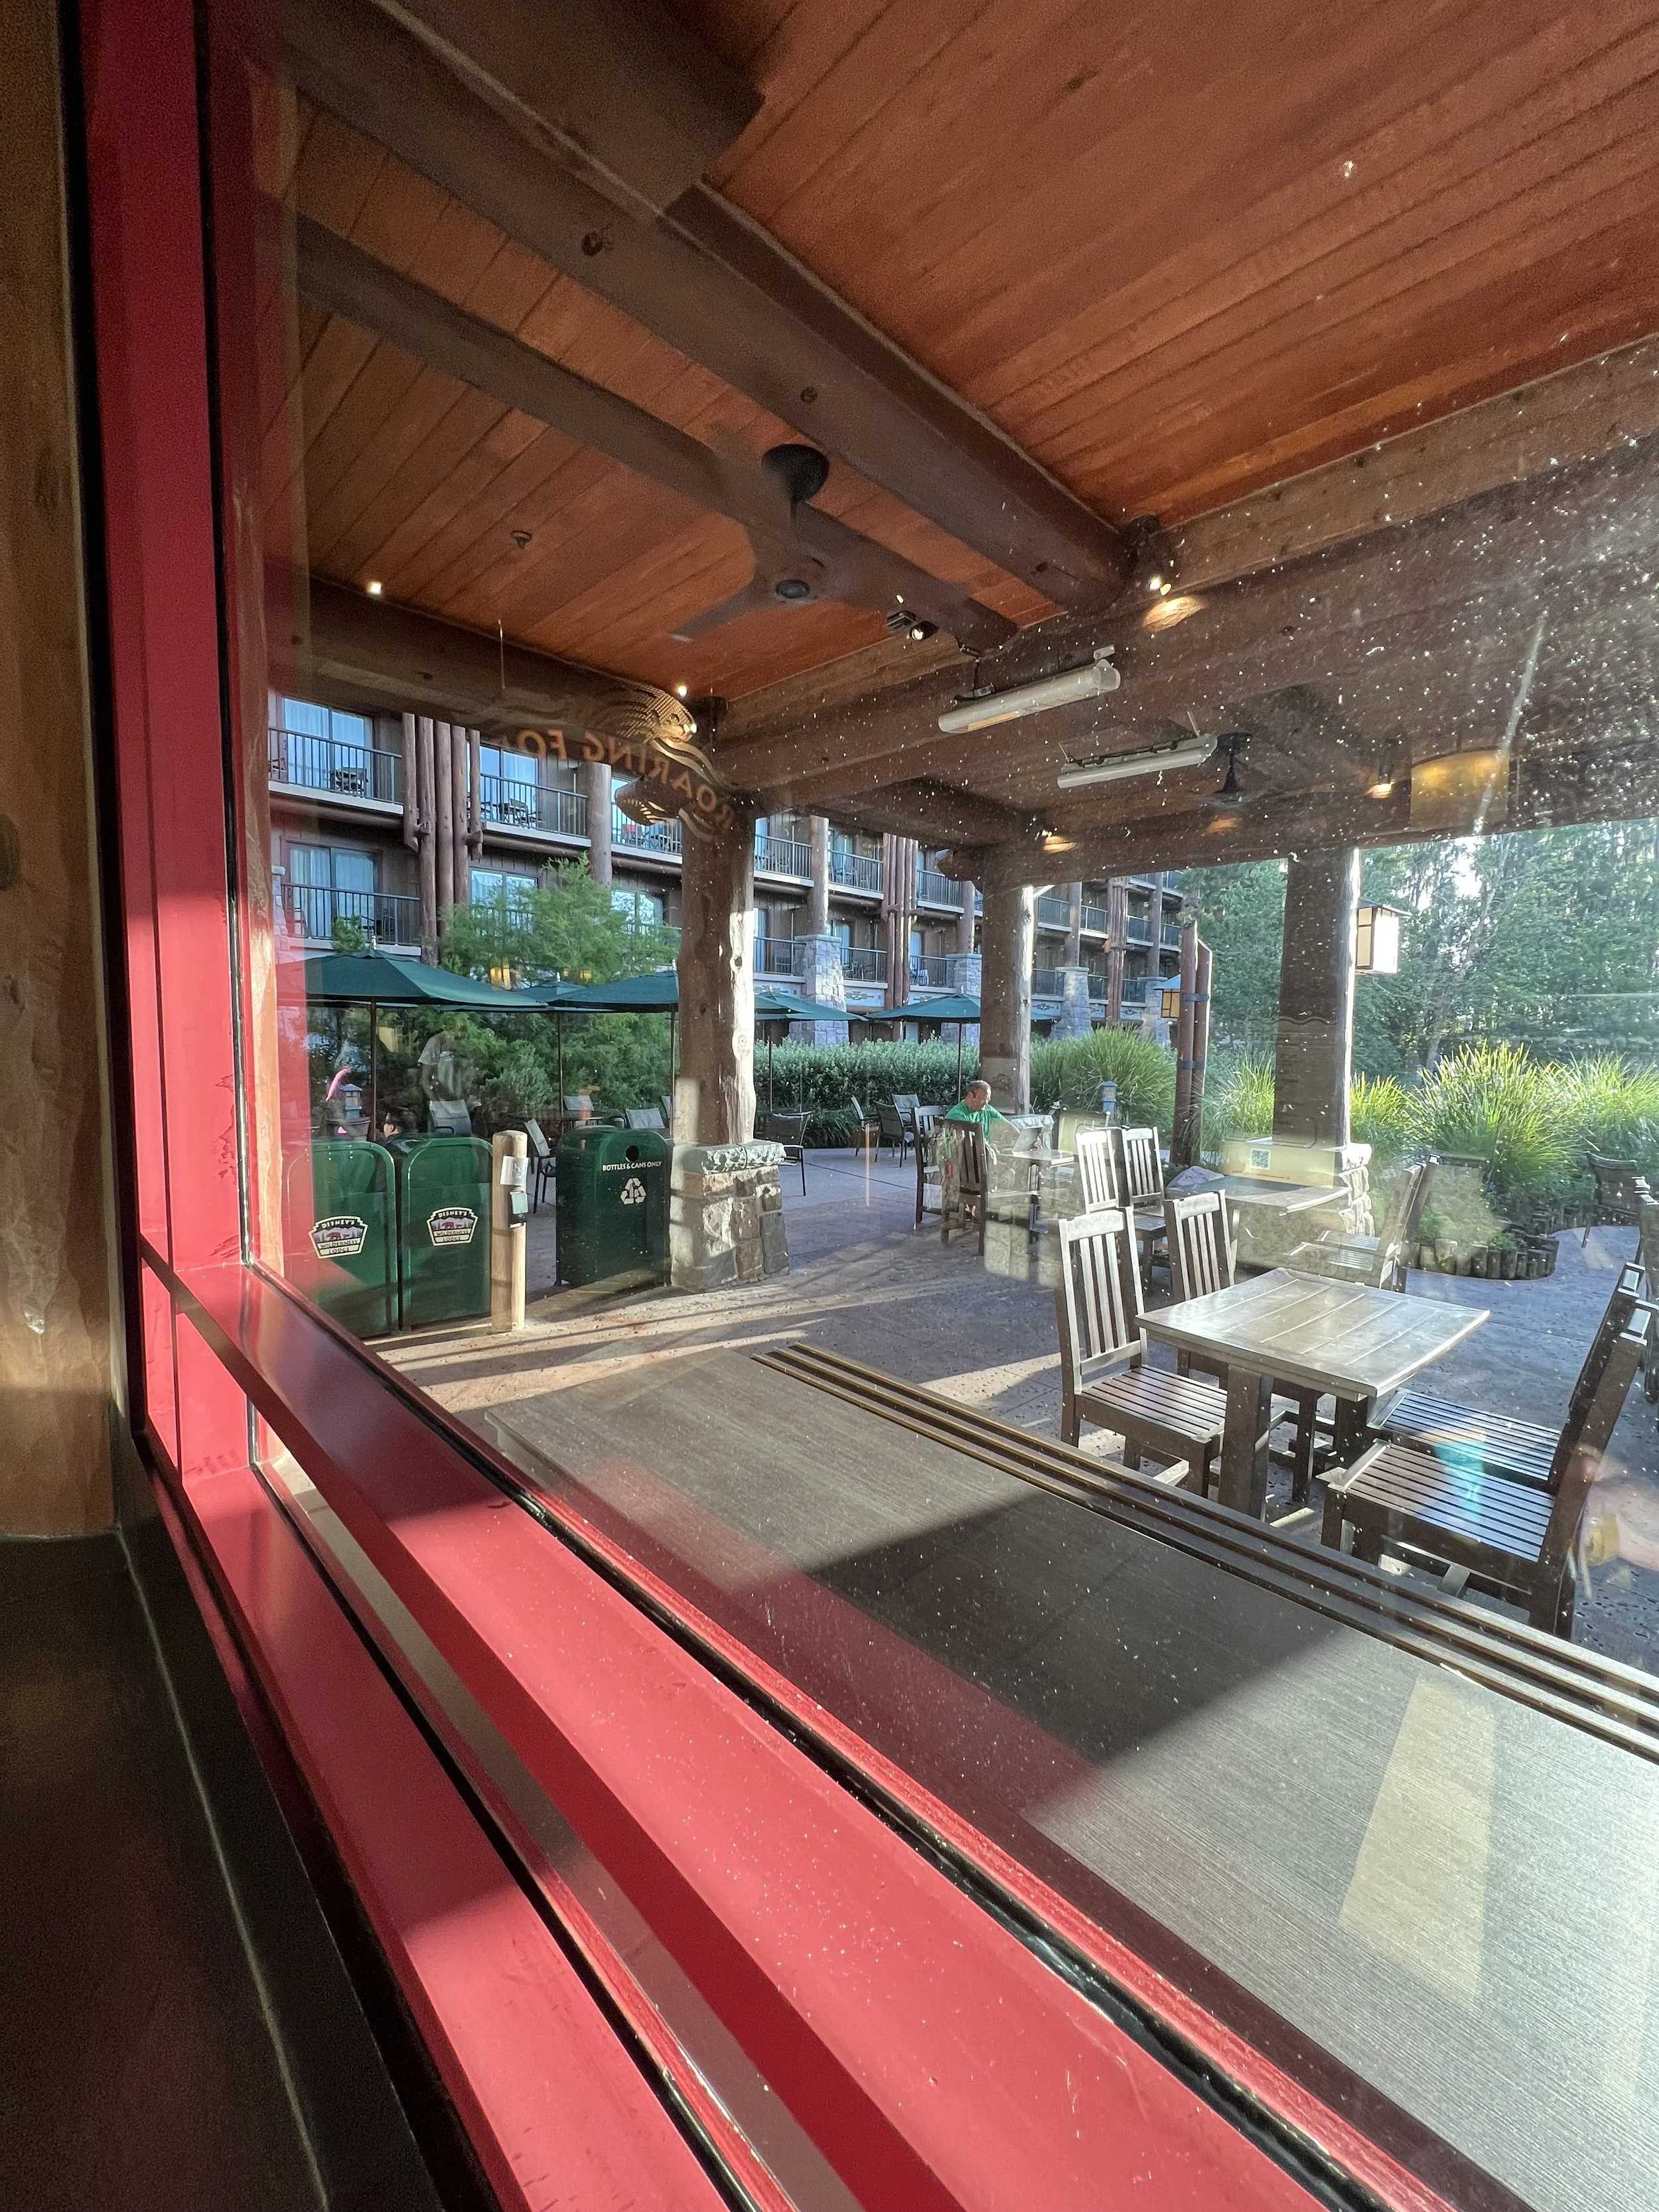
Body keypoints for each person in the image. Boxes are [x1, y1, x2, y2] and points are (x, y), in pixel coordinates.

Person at [943, 1078, 1009, 1139]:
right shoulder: (957, 1115)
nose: (986, 1104)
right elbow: (971, 1143)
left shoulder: (987, 1109)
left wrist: (1018, 1141)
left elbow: (1007, 1126)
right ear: (971, 1095)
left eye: (988, 1100)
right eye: (982, 1099)